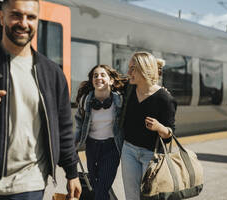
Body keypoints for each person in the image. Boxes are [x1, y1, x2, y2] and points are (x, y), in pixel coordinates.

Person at [0, 0, 81, 199]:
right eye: (16, 15)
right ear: (2, 17)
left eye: (31, 17)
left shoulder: (52, 74)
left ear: (37, 21)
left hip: (31, 181)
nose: (24, 22)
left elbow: (63, 127)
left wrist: (72, 172)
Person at [121, 52, 177, 200]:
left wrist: (159, 127)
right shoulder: (129, 89)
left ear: (144, 70)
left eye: (132, 69)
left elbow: (169, 135)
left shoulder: (165, 99)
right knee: (131, 196)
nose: (128, 73)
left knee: (150, 197)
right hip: (128, 151)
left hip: (151, 155)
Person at [74, 65, 127, 200]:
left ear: (111, 80)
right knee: (96, 185)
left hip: (111, 147)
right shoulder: (85, 101)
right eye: (95, 76)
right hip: (92, 147)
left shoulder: (120, 100)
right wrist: (73, 143)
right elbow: (79, 124)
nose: (98, 78)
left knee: (102, 186)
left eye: (103, 75)